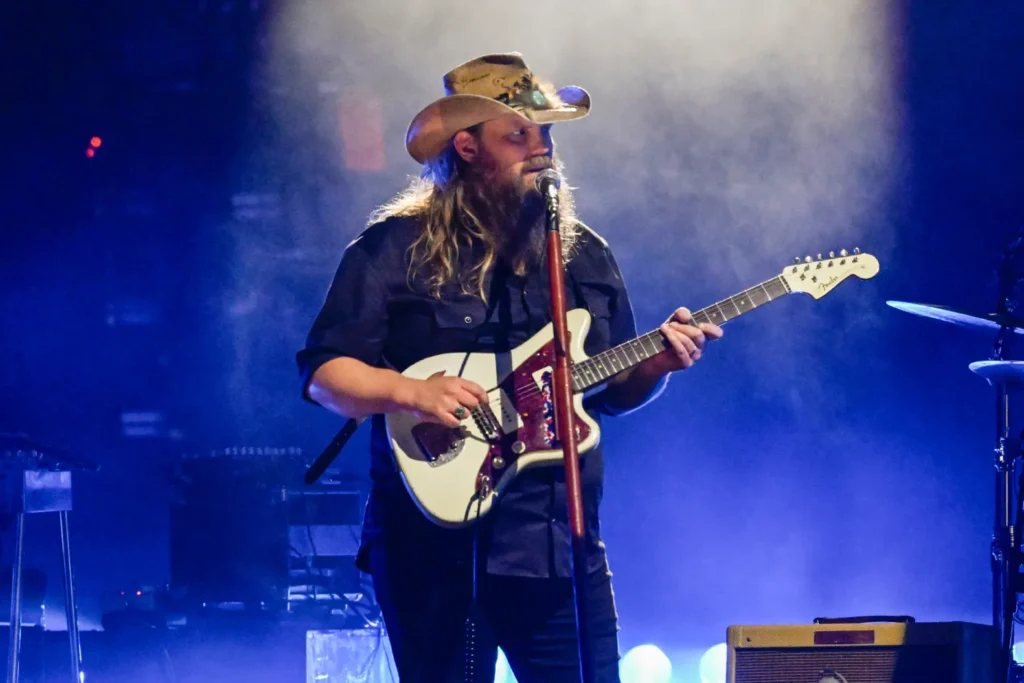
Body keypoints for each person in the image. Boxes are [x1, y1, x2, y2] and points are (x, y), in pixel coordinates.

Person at [297, 53, 723, 683]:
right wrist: (410, 391)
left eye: (545, 133)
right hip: (432, 551)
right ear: (467, 147)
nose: (541, 149)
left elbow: (610, 395)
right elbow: (325, 375)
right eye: (518, 135)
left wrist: (656, 366)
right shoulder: (395, 247)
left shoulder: (582, 255)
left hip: (557, 545)